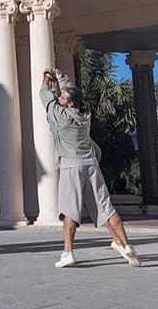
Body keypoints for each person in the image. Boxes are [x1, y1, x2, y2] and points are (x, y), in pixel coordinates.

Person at [40, 68, 141, 269]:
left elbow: (45, 96)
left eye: (62, 97)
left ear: (69, 104)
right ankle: (125, 244)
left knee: (69, 210)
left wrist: (47, 78)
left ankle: (67, 253)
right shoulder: (84, 114)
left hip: (71, 166)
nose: (59, 97)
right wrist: (61, 77)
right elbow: (69, 91)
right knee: (105, 207)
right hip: (91, 164)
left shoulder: (61, 115)